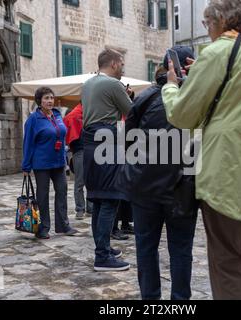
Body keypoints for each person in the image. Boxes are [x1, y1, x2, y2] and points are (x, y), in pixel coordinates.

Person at [162, 0, 241, 300]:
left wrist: (171, 87)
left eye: (207, 23)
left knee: (228, 262)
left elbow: (183, 115)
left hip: (229, 173)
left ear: (221, 20)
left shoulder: (220, 52)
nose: (207, 30)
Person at [118, 47, 197, 300]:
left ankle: (150, 300)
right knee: (181, 249)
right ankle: (180, 301)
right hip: (182, 187)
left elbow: (127, 141)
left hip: (145, 186)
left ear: (164, 67)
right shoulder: (197, 97)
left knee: (146, 248)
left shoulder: (144, 98)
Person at [82, 49, 132, 271]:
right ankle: (102, 256)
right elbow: (131, 113)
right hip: (107, 141)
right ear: (112, 64)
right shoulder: (114, 85)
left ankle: (102, 247)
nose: (123, 67)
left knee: (98, 199)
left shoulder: (88, 84)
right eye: (121, 63)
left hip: (91, 143)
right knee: (110, 199)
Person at [22, 87, 78, 239]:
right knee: (43, 196)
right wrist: (26, 166)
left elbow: (62, 134)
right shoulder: (34, 119)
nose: (49, 101)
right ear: (39, 101)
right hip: (42, 164)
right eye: (46, 98)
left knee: (62, 191)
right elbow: (28, 143)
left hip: (59, 162)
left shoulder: (57, 115)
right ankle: (43, 228)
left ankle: (63, 225)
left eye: (51, 98)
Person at [63, 103, 94, 220]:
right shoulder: (75, 114)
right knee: (80, 181)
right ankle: (80, 209)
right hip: (79, 151)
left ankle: (90, 209)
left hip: (90, 150)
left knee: (90, 181)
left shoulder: (91, 112)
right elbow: (67, 123)